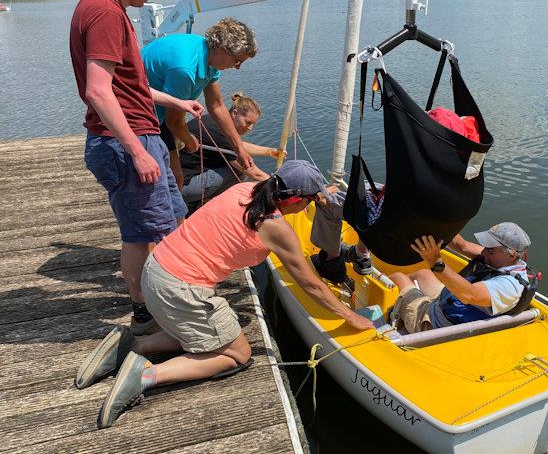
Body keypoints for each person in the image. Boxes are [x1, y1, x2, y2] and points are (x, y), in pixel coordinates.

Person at [75, 160, 375, 428]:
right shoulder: (275, 227)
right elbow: (310, 284)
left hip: (156, 271)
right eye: (309, 200)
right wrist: (350, 316)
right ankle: (145, 375)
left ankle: (133, 343)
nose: (309, 207)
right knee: (237, 354)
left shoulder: (245, 190)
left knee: (204, 333)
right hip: (180, 290)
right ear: (294, 198)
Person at [69, 0, 204, 336]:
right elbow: (98, 89)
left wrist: (176, 103)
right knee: (144, 233)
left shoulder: (100, 7)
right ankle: (147, 315)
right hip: (125, 143)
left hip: (140, 135)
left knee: (171, 219)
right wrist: (139, 152)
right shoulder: (107, 13)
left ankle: (169, 298)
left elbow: (127, 84)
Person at [141, 18, 258, 189]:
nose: (237, 67)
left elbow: (217, 105)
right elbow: (173, 122)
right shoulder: (185, 69)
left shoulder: (209, 57)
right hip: (141, 114)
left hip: (161, 110)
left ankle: (177, 214)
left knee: (176, 178)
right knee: (168, 181)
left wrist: (239, 148)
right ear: (223, 49)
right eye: (237, 61)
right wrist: (189, 140)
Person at [387, 222, 536, 333]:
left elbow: (469, 295)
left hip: (439, 325)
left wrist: (435, 262)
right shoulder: (504, 260)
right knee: (423, 274)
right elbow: (461, 245)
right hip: (444, 305)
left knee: (399, 277)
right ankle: (401, 302)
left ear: (511, 254)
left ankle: (392, 314)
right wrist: (438, 223)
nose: (483, 252)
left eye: (490, 249)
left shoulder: (509, 286)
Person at [181, 92, 285, 207]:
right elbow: (254, 173)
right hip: (184, 187)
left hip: (180, 180)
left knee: (234, 163)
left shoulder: (216, 121)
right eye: (248, 122)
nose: (250, 128)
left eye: (253, 124)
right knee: (237, 169)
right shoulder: (221, 133)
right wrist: (280, 189)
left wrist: (270, 152)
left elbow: (240, 146)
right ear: (235, 113)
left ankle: (207, 200)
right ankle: (210, 204)